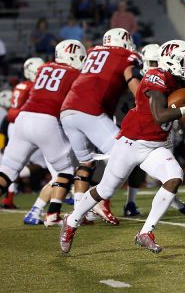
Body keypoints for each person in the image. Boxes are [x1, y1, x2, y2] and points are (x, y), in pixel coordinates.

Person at [59, 40, 185, 254]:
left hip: (156, 145)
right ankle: (72, 220)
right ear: (171, 62)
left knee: (174, 177)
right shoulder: (156, 77)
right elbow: (159, 115)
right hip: (132, 142)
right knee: (106, 190)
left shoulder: (184, 83)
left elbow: (183, 105)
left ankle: (146, 232)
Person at [60, 28, 142, 224]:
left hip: (67, 110)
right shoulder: (127, 55)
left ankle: (79, 212)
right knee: (125, 153)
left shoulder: (91, 53)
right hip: (90, 110)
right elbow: (131, 76)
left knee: (85, 163)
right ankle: (101, 199)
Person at [0, 40, 86, 226]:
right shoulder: (74, 73)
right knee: (65, 170)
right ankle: (53, 215)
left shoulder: (44, 68)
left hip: (23, 119)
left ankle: (48, 213)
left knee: (7, 170)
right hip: (46, 121)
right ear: (71, 55)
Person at [2, 57, 44, 210]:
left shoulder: (19, 85)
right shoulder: (34, 86)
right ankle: (63, 195)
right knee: (43, 164)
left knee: (13, 164)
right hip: (26, 125)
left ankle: (9, 198)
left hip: (14, 125)